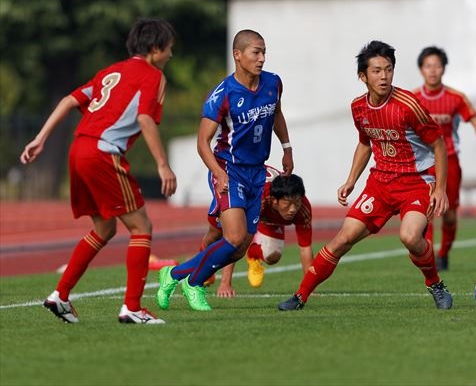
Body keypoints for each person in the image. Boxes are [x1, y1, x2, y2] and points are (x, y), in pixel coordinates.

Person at [20, 18, 178, 324]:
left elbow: (69, 100)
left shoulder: (111, 71)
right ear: (156, 49)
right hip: (103, 153)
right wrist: (162, 164)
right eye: (170, 49)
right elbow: (145, 118)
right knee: (141, 227)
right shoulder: (153, 76)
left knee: (105, 228)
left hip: (79, 149)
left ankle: (60, 296)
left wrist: (40, 138)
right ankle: (132, 307)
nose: (171, 55)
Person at [278, 40, 453, 311]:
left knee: (410, 237)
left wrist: (439, 188)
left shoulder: (408, 105)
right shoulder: (358, 107)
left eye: (388, 69)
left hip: (416, 183)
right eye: (376, 71)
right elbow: (365, 142)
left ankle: (435, 284)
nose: (384, 76)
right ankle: (300, 296)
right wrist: (351, 180)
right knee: (341, 240)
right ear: (363, 76)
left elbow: (438, 143)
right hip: (380, 184)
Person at [156, 29, 294, 311]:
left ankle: (173, 274)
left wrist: (287, 148)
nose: (262, 58)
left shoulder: (273, 83)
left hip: (257, 171)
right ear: (238, 55)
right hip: (228, 169)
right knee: (232, 237)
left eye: (264, 52)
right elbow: (202, 142)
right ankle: (194, 283)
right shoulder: (222, 95)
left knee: (241, 245)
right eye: (256, 52)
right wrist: (218, 174)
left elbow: (276, 113)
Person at [413, 46, 476, 271]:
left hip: (450, 160)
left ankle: (443, 253)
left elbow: (472, 117)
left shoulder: (455, 97)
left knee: (448, 214)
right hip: (424, 162)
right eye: (428, 66)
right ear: (421, 70)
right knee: (425, 211)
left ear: (443, 69)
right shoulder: (413, 99)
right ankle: (428, 256)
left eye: (437, 66)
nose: (433, 70)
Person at [204, 169, 313, 298]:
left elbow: (305, 249)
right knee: (215, 234)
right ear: (274, 200)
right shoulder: (259, 198)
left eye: (297, 203)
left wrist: (309, 289)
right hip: (239, 198)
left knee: (273, 256)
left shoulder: (303, 208)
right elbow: (233, 239)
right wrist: (225, 283)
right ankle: (204, 269)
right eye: (287, 204)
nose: (293, 209)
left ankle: (253, 254)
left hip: (266, 215)